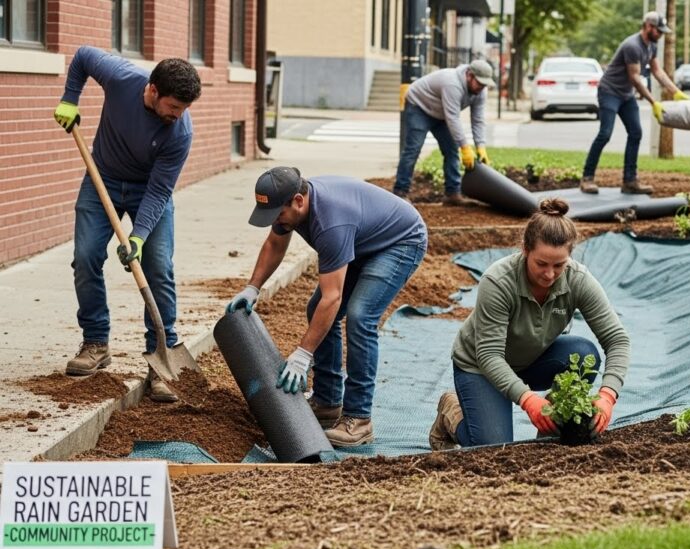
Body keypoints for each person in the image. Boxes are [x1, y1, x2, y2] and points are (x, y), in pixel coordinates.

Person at [228, 167, 427, 447]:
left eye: (277, 214)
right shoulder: (289, 206)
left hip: (399, 242)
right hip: (361, 240)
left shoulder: (331, 224)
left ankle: (359, 419)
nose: (275, 221)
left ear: (298, 201)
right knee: (316, 311)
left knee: (360, 316)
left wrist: (303, 355)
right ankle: (327, 401)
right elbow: (275, 244)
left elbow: (332, 298)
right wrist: (253, 287)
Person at [54, 46, 201, 403]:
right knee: (86, 256)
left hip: (147, 190)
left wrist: (138, 237)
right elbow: (83, 56)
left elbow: (160, 191)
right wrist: (70, 99)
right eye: (174, 106)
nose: (178, 115)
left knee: (158, 267)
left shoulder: (179, 133)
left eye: (184, 109)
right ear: (153, 90)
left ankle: (161, 357)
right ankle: (95, 342)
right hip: (101, 178)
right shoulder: (121, 78)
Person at [429, 198, 631, 449]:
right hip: (481, 366)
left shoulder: (577, 279)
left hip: (532, 359)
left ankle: (549, 433)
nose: (549, 274)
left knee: (582, 354)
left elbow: (617, 340)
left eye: (559, 265)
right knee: (492, 447)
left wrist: (608, 395)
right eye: (541, 264)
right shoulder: (499, 281)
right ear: (525, 249)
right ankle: (450, 412)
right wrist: (528, 400)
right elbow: (489, 355)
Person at [580, 11, 689, 195]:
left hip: (626, 95)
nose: (661, 35)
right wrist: (654, 102)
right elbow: (635, 79)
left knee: (636, 132)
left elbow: (657, 71)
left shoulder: (652, 45)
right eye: (659, 31)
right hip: (610, 92)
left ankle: (630, 181)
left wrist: (676, 92)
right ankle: (587, 178)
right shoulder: (632, 46)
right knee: (605, 134)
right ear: (648, 26)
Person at [392, 59, 495, 206]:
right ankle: (400, 192)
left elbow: (477, 120)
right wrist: (465, 147)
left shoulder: (480, 91)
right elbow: (453, 118)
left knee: (451, 150)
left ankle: (452, 194)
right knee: (413, 149)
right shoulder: (452, 83)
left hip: (441, 113)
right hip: (419, 107)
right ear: (469, 75)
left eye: (485, 84)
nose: (482, 87)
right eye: (479, 83)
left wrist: (480, 146)